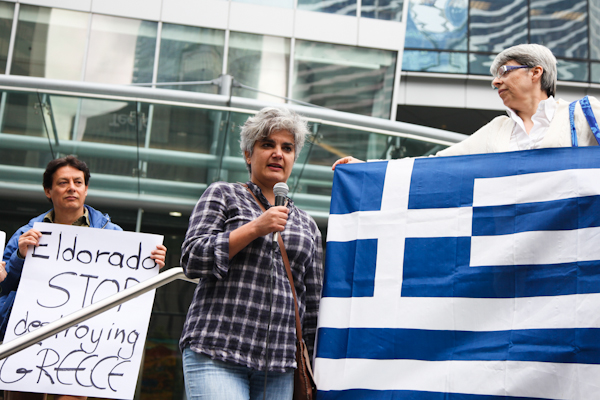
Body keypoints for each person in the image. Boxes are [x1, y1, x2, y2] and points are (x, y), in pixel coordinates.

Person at [179, 107, 324, 400]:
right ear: (248, 154)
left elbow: (312, 301)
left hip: (280, 364)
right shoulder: (222, 194)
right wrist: (255, 228)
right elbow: (192, 258)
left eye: (287, 148)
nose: (278, 154)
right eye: (267, 144)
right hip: (216, 348)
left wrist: (315, 360)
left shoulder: (307, 224)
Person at [0, 155, 167, 400]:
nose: (71, 188)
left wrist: (151, 265)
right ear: (48, 191)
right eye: (63, 183)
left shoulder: (113, 234)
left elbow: (128, 290)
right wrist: (20, 257)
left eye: (78, 182)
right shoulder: (25, 234)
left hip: (83, 337)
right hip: (28, 334)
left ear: (86, 189)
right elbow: (4, 286)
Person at [332, 43, 600, 169]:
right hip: (511, 244)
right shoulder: (496, 129)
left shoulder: (583, 114)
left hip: (573, 248)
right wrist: (366, 168)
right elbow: (434, 166)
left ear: (535, 72)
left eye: (505, 71)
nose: (496, 82)